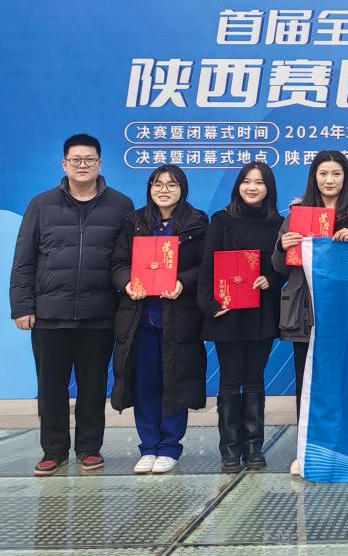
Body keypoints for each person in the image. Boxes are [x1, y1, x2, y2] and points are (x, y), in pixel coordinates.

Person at [10, 134, 133, 476]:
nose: (83, 165)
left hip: (100, 314)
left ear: (100, 164)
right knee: (51, 388)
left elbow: (126, 259)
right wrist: (22, 306)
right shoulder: (41, 204)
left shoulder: (121, 205)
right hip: (50, 314)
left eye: (89, 159)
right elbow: (24, 260)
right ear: (64, 164)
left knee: (93, 387)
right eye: (76, 160)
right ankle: (54, 451)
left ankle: (89, 449)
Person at [273, 151, 348, 475]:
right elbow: (279, 268)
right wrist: (282, 247)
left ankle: (346, 449)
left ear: (346, 178)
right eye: (323, 174)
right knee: (307, 382)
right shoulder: (297, 213)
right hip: (305, 310)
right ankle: (306, 451)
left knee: (346, 381)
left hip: (346, 311)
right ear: (314, 177)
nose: (330, 180)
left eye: (336, 174)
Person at [110, 165, 209, 474]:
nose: (164, 190)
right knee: (145, 384)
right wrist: (127, 282)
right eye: (157, 184)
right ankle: (148, 446)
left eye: (171, 184)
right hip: (141, 319)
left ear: (183, 189)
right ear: (149, 188)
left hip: (178, 319)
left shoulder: (196, 223)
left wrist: (183, 282)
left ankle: (169, 447)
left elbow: (205, 266)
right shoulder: (134, 221)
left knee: (174, 382)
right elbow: (117, 263)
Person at [199, 161, 285, 473]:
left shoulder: (280, 224)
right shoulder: (221, 220)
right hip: (228, 311)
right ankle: (230, 450)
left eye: (259, 182)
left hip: (262, 311)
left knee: (255, 379)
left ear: (268, 188)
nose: (252, 187)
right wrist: (209, 305)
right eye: (247, 181)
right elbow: (207, 265)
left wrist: (271, 279)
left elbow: (285, 266)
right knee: (230, 379)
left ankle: (253, 448)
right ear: (238, 186)